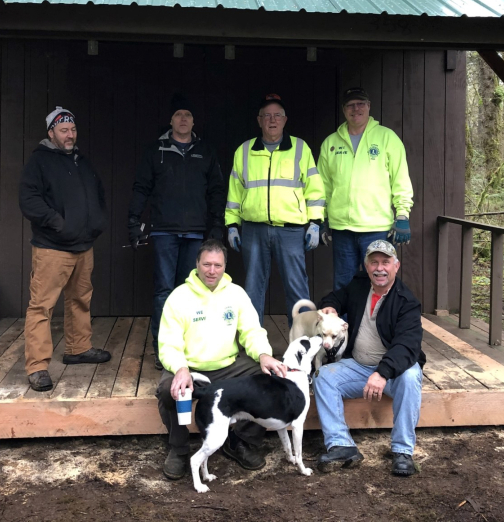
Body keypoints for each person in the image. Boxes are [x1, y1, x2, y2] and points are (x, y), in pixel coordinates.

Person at [156, 239, 288, 480]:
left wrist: (263, 354)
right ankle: (179, 449)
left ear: (225, 266)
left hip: (227, 368)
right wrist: (180, 368)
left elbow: (251, 331)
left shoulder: (236, 294)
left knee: (267, 379)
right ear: (196, 264)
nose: (211, 270)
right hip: (190, 368)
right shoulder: (179, 297)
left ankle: (240, 441)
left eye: (217, 265)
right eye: (206, 264)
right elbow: (168, 343)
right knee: (167, 389)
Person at [128, 93, 225, 370]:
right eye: (179, 114)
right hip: (164, 232)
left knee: (191, 291)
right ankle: (163, 349)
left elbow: (216, 190)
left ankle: (188, 346)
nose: (183, 119)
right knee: (163, 292)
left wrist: (217, 224)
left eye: (188, 115)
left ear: (194, 121)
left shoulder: (205, 150)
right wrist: (133, 221)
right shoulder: (155, 150)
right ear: (171, 120)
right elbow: (141, 188)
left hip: (196, 232)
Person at [19, 106, 112, 393]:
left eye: (72, 129)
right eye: (63, 130)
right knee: (42, 306)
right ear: (51, 133)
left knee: (80, 299)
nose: (69, 134)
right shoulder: (39, 162)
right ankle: (37, 367)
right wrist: (58, 223)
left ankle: (78, 348)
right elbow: (29, 200)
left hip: (84, 246)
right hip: (52, 248)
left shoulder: (80, 161)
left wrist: (96, 221)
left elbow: (97, 194)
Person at [313, 239, 424, 476]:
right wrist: (330, 307)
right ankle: (341, 444)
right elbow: (335, 297)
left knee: (412, 375)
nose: (379, 268)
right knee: (323, 375)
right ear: (366, 266)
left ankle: (403, 451)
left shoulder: (407, 302)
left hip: (393, 371)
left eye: (386, 262)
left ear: (396, 266)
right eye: (374, 262)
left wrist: (382, 373)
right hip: (359, 366)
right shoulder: (359, 284)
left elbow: (407, 346)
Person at [225, 94, 325, 324]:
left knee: (297, 288)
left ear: (285, 119)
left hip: (292, 230)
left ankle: (302, 343)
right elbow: (234, 193)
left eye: (277, 115)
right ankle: (253, 343)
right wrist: (231, 225)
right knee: (252, 288)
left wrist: (315, 223)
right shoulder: (244, 151)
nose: (272, 120)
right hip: (253, 229)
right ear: (259, 120)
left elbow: (315, 190)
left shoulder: (300, 148)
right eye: (267, 115)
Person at [318, 87, 414, 290]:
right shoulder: (331, 143)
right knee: (344, 285)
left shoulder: (387, 138)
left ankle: (379, 323)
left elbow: (400, 179)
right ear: (344, 110)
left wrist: (403, 215)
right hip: (342, 228)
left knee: (380, 282)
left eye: (361, 104)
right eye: (350, 105)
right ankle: (346, 323)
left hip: (376, 227)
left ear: (369, 107)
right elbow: (322, 186)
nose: (356, 109)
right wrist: (321, 218)